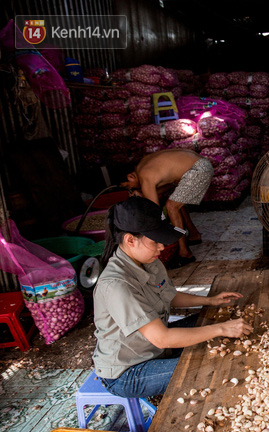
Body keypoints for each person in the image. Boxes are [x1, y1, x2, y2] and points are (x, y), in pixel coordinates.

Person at [92, 197, 252, 398]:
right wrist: (220, 329)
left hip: (154, 348)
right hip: (128, 370)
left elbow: (169, 296)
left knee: (217, 318)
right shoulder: (117, 286)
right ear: (130, 240)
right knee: (212, 366)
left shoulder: (148, 261)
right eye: (155, 241)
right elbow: (162, 338)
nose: (162, 247)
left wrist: (209, 301)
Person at [121, 149, 213, 268]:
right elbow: (168, 185)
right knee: (175, 199)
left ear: (130, 177)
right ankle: (194, 234)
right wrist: (142, 194)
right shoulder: (143, 165)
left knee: (171, 206)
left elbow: (154, 209)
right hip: (201, 165)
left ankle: (185, 253)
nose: (131, 189)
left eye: (128, 186)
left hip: (198, 170)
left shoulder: (144, 175)